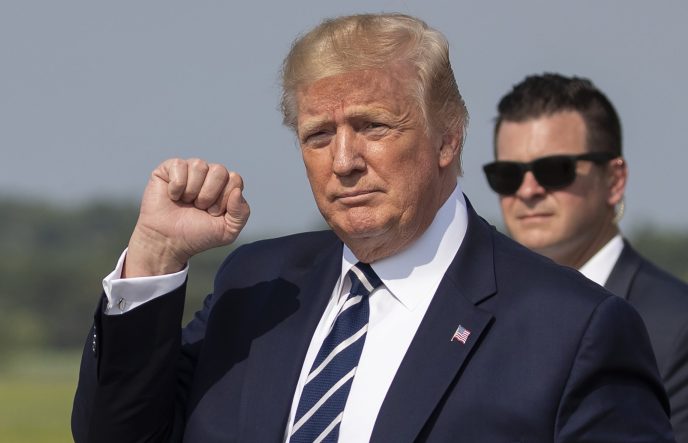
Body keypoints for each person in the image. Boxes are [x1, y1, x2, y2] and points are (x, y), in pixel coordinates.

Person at [73, 14, 675, 442]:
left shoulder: (574, 330)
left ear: (448, 138)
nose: (343, 161)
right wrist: (154, 254)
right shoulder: (254, 288)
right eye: (318, 135)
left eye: (374, 127)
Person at [485, 72, 688, 442]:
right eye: (507, 175)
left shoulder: (677, 328)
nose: (528, 190)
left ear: (614, 180)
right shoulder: (475, 318)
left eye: (554, 170)